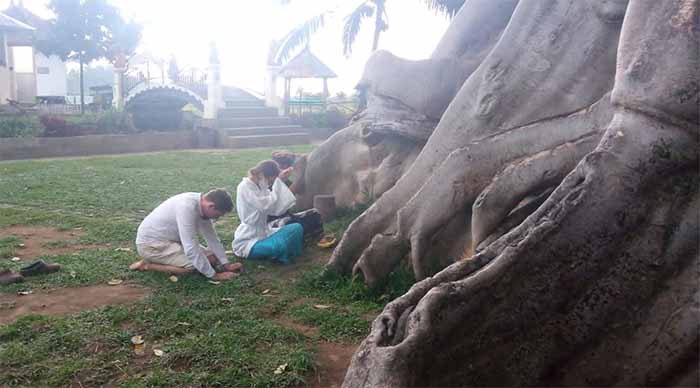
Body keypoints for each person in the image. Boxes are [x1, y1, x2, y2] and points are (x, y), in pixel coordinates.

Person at [130, 189, 241, 281]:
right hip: (152, 246)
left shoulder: (202, 207)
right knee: (193, 267)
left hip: (173, 241)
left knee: (212, 258)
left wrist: (226, 264)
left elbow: (212, 239)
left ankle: (161, 260)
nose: (216, 219)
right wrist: (214, 275)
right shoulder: (187, 207)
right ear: (211, 206)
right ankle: (147, 265)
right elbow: (191, 247)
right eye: (217, 215)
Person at [232, 160, 304, 264]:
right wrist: (279, 181)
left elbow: (274, 207)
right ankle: (280, 251)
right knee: (280, 245)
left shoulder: (261, 186)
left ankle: (282, 251)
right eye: (270, 181)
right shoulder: (244, 187)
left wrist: (280, 180)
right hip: (248, 240)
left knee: (297, 227)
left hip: (265, 232)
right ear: (261, 174)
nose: (270, 184)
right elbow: (265, 205)